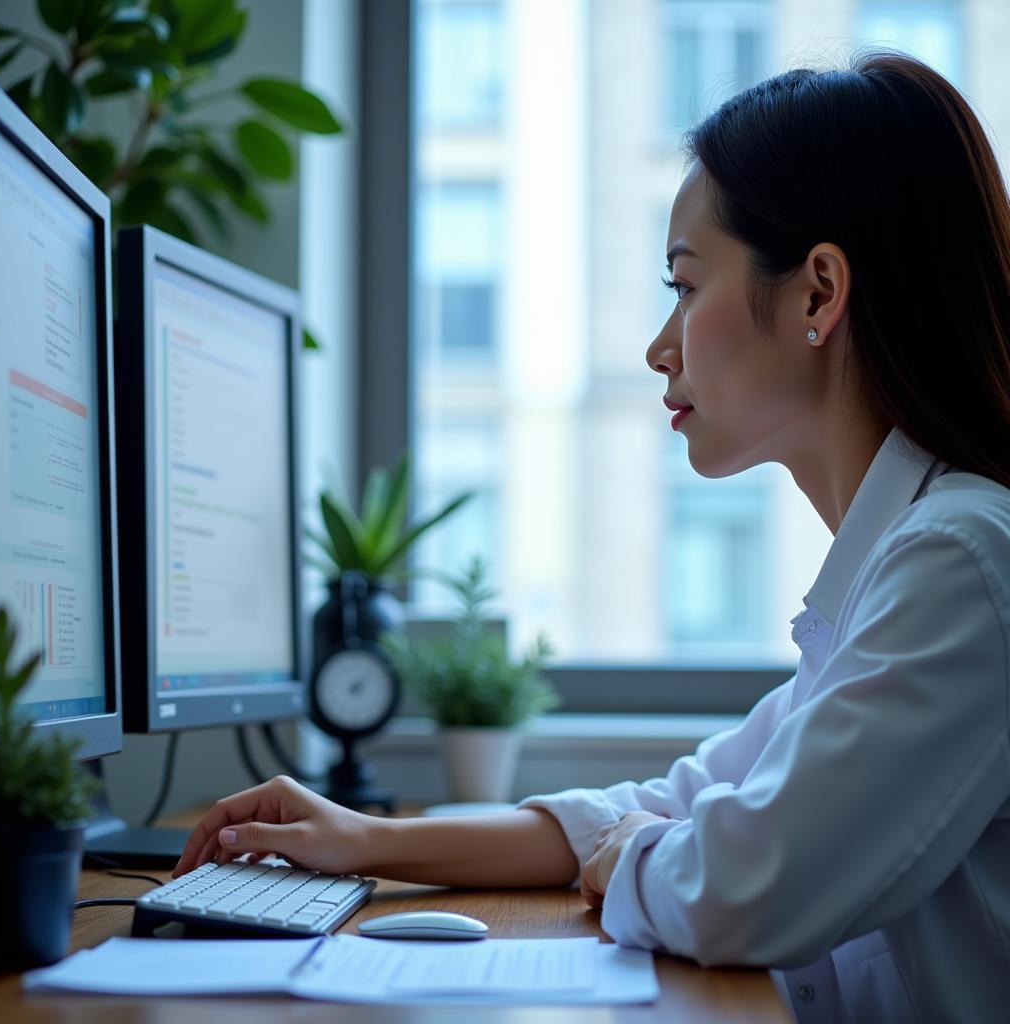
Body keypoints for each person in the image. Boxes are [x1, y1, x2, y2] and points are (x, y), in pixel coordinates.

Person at [174, 51, 1010, 1023]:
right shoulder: (900, 572)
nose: (661, 346)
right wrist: (359, 838)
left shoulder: (959, 563)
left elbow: (745, 886)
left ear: (818, 294)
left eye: (688, 287)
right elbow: (672, 803)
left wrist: (633, 859)